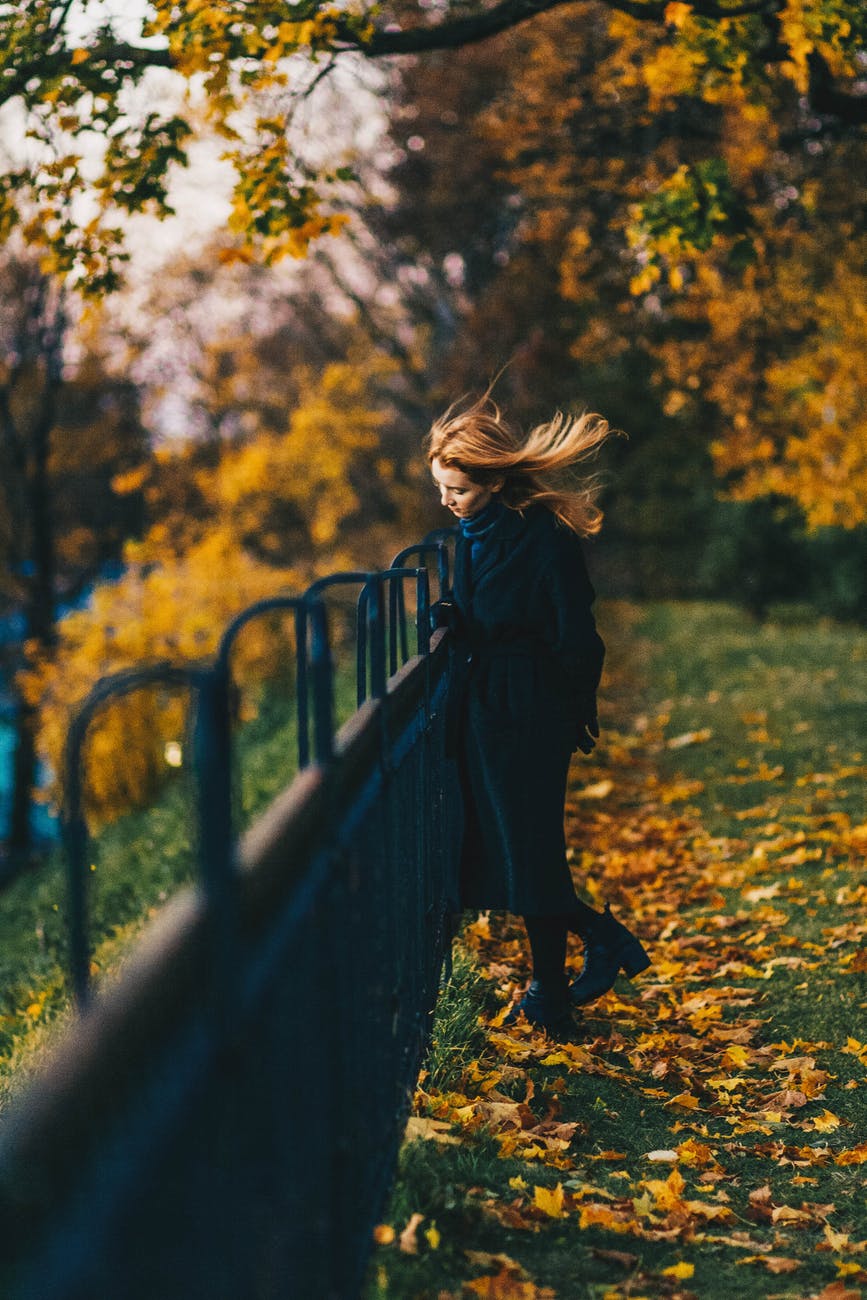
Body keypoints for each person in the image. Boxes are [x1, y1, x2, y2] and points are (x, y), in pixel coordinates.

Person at [427, 390, 649, 1035]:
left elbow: (577, 634)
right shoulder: (468, 535)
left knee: (531, 848)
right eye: (442, 487)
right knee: (505, 847)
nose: (447, 501)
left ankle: (553, 991)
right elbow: (476, 612)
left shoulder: (543, 538)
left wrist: (575, 707)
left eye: (458, 489)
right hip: (484, 709)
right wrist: (450, 617)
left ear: (493, 480)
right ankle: (591, 947)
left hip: (529, 709)